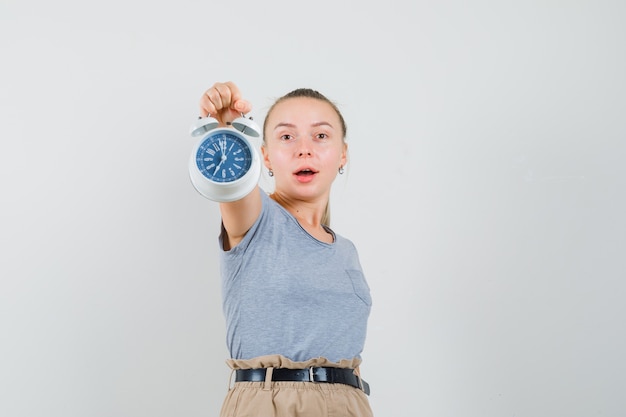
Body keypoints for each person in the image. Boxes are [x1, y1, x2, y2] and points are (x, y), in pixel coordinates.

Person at [197, 81, 373, 417]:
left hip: (349, 404)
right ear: (265, 156)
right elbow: (230, 177)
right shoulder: (255, 218)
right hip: (270, 404)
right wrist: (223, 129)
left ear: (342, 154)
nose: (304, 149)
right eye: (287, 136)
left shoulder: (347, 251)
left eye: (320, 136)